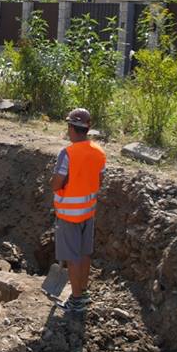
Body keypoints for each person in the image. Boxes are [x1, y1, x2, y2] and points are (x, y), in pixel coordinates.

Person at [51, 107, 106, 312]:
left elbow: (57, 182)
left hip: (69, 215)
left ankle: (76, 301)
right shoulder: (99, 151)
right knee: (84, 254)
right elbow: (99, 178)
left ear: (71, 128)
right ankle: (82, 291)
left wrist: (54, 184)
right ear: (87, 128)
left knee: (72, 257)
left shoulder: (68, 153)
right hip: (88, 212)